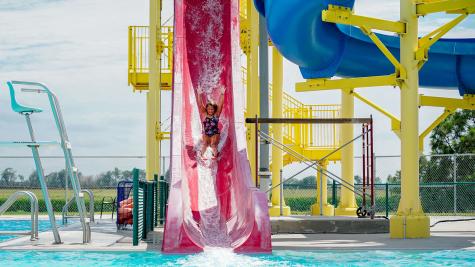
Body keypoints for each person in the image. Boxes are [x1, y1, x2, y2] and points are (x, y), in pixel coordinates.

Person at [195, 91, 224, 159]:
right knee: (205, 144)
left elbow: (220, 105)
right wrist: (199, 94)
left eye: (212, 109)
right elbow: (200, 105)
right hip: (206, 133)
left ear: (214, 109)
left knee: (213, 145)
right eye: (208, 109)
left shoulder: (216, 115)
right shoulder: (205, 114)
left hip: (215, 133)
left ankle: (215, 155)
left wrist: (222, 94)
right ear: (206, 109)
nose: (210, 111)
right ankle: (201, 155)